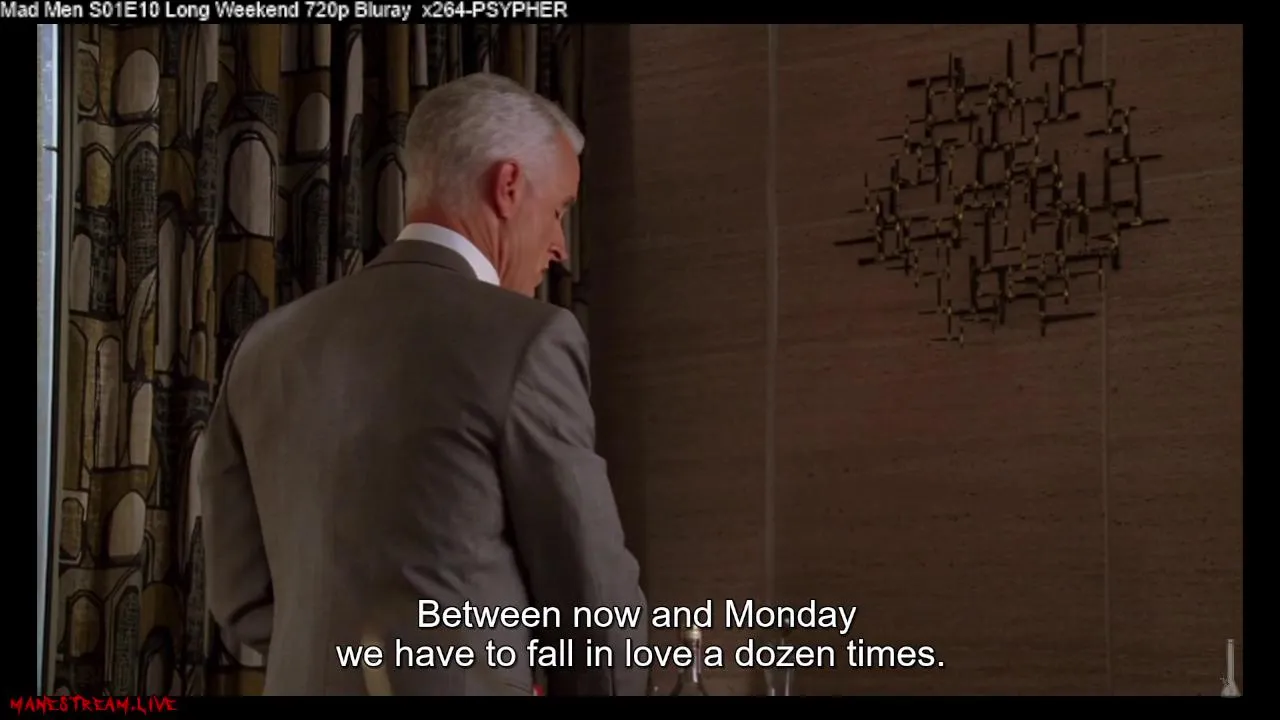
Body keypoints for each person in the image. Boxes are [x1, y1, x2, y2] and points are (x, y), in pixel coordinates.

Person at [198, 73, 648, 696]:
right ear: (509, 186)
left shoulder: (262, 347)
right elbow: (593, 603)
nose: (560, 247)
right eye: (558, 211)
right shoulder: (530, 338)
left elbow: (239, 594)